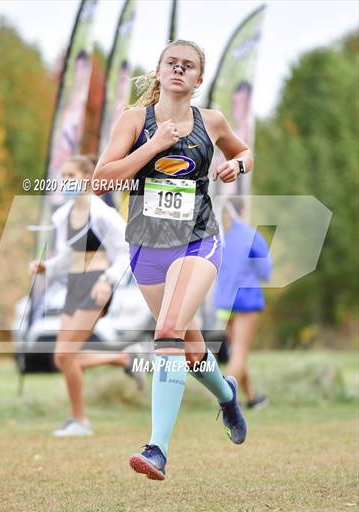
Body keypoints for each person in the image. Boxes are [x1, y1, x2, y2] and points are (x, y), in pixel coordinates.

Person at [93, 39, 253, 480]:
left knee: (166, 332)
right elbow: (101, 179)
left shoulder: (213, 121)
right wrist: (154, 145)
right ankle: (227, 396)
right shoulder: (134, 120)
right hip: (147, 244)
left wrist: (236, 167)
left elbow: (243, 152)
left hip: (198, 240)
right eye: (172, 64)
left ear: (199, 80)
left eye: (188, 67)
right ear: (159, 72)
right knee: (191, 348)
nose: (179, 71)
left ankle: (156, 449)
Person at [30, 155, 145, 437]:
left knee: (63, 355)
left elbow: (126, 252)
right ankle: (123, 359)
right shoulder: (62, 216)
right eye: (63, 175)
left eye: (71, 175)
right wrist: (47, 268)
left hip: (97, 284)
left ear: (87, 178)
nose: (65, 181)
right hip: (73, 284)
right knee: (62, 359)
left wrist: (107, 281)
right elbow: (68, 256)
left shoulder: (102, 213)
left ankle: (80, 420)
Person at [214, 197, 272, 409]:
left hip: (223, 303)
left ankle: (252, 398)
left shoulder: (220, 236)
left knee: (237, 352)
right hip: (246, 300)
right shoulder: (250, 236)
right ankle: (225, 401)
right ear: (244, 211)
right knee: (239, 353)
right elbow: (266, 271)